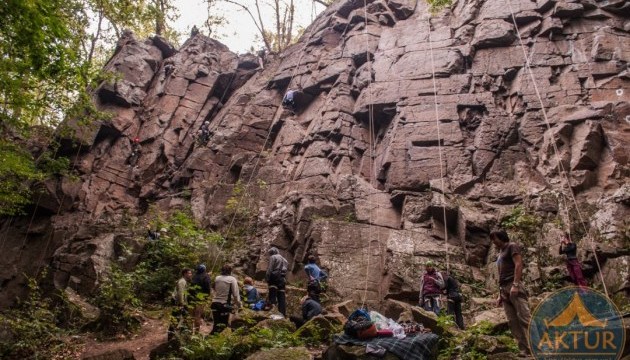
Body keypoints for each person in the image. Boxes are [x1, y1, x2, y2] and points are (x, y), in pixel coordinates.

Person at [491, 229, 532, 357]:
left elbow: (518, 264)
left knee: (525, 318)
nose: (493, 242)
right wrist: (499, 294)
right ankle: (524, 350)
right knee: (513, 322)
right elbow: (501, 274)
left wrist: (515, 284)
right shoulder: (500, 252)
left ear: (501, 237)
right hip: (504, 289)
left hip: (513, 285)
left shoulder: (511, 246)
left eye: (494, 238)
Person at [211, 264, 241, 334]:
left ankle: (211, 338)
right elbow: (236, 294)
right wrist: (239, 304)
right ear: (230, 271)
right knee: (223, 325)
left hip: (214, 303)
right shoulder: (232, 279)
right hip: (225, 305)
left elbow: (214, 288)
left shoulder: (217, 278)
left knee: (216, 324)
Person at [168, 268, 193, 341]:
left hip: (180, 303)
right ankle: (171, 337)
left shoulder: (183, 281)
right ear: (185, 274)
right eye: (189, 273)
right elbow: (180, 293)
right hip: (179, 304)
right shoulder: (182, 281)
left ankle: (182, 335)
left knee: (184, 319)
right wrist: (181, 304)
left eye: (191, 273)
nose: (190, 275)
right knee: (175, 319)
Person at [265, 247, 288, 316]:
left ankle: (272, 310)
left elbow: (270, 268)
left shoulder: (273, 257)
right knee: (281, 295)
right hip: (282, 278)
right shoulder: (285, 260)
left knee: (272, 292)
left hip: (274, 276)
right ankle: (282, 313)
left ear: (272, 252)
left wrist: (267, 277)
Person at [190, 264, 212, 333]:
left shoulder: (194, 277)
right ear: (204, 270)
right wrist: (207, 297)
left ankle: (189, 331)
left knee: (191, 316)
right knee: (198, 316)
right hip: (201, 299)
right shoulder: (206, 277)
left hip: (191, 299)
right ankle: (196, 332)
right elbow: (208, 288)